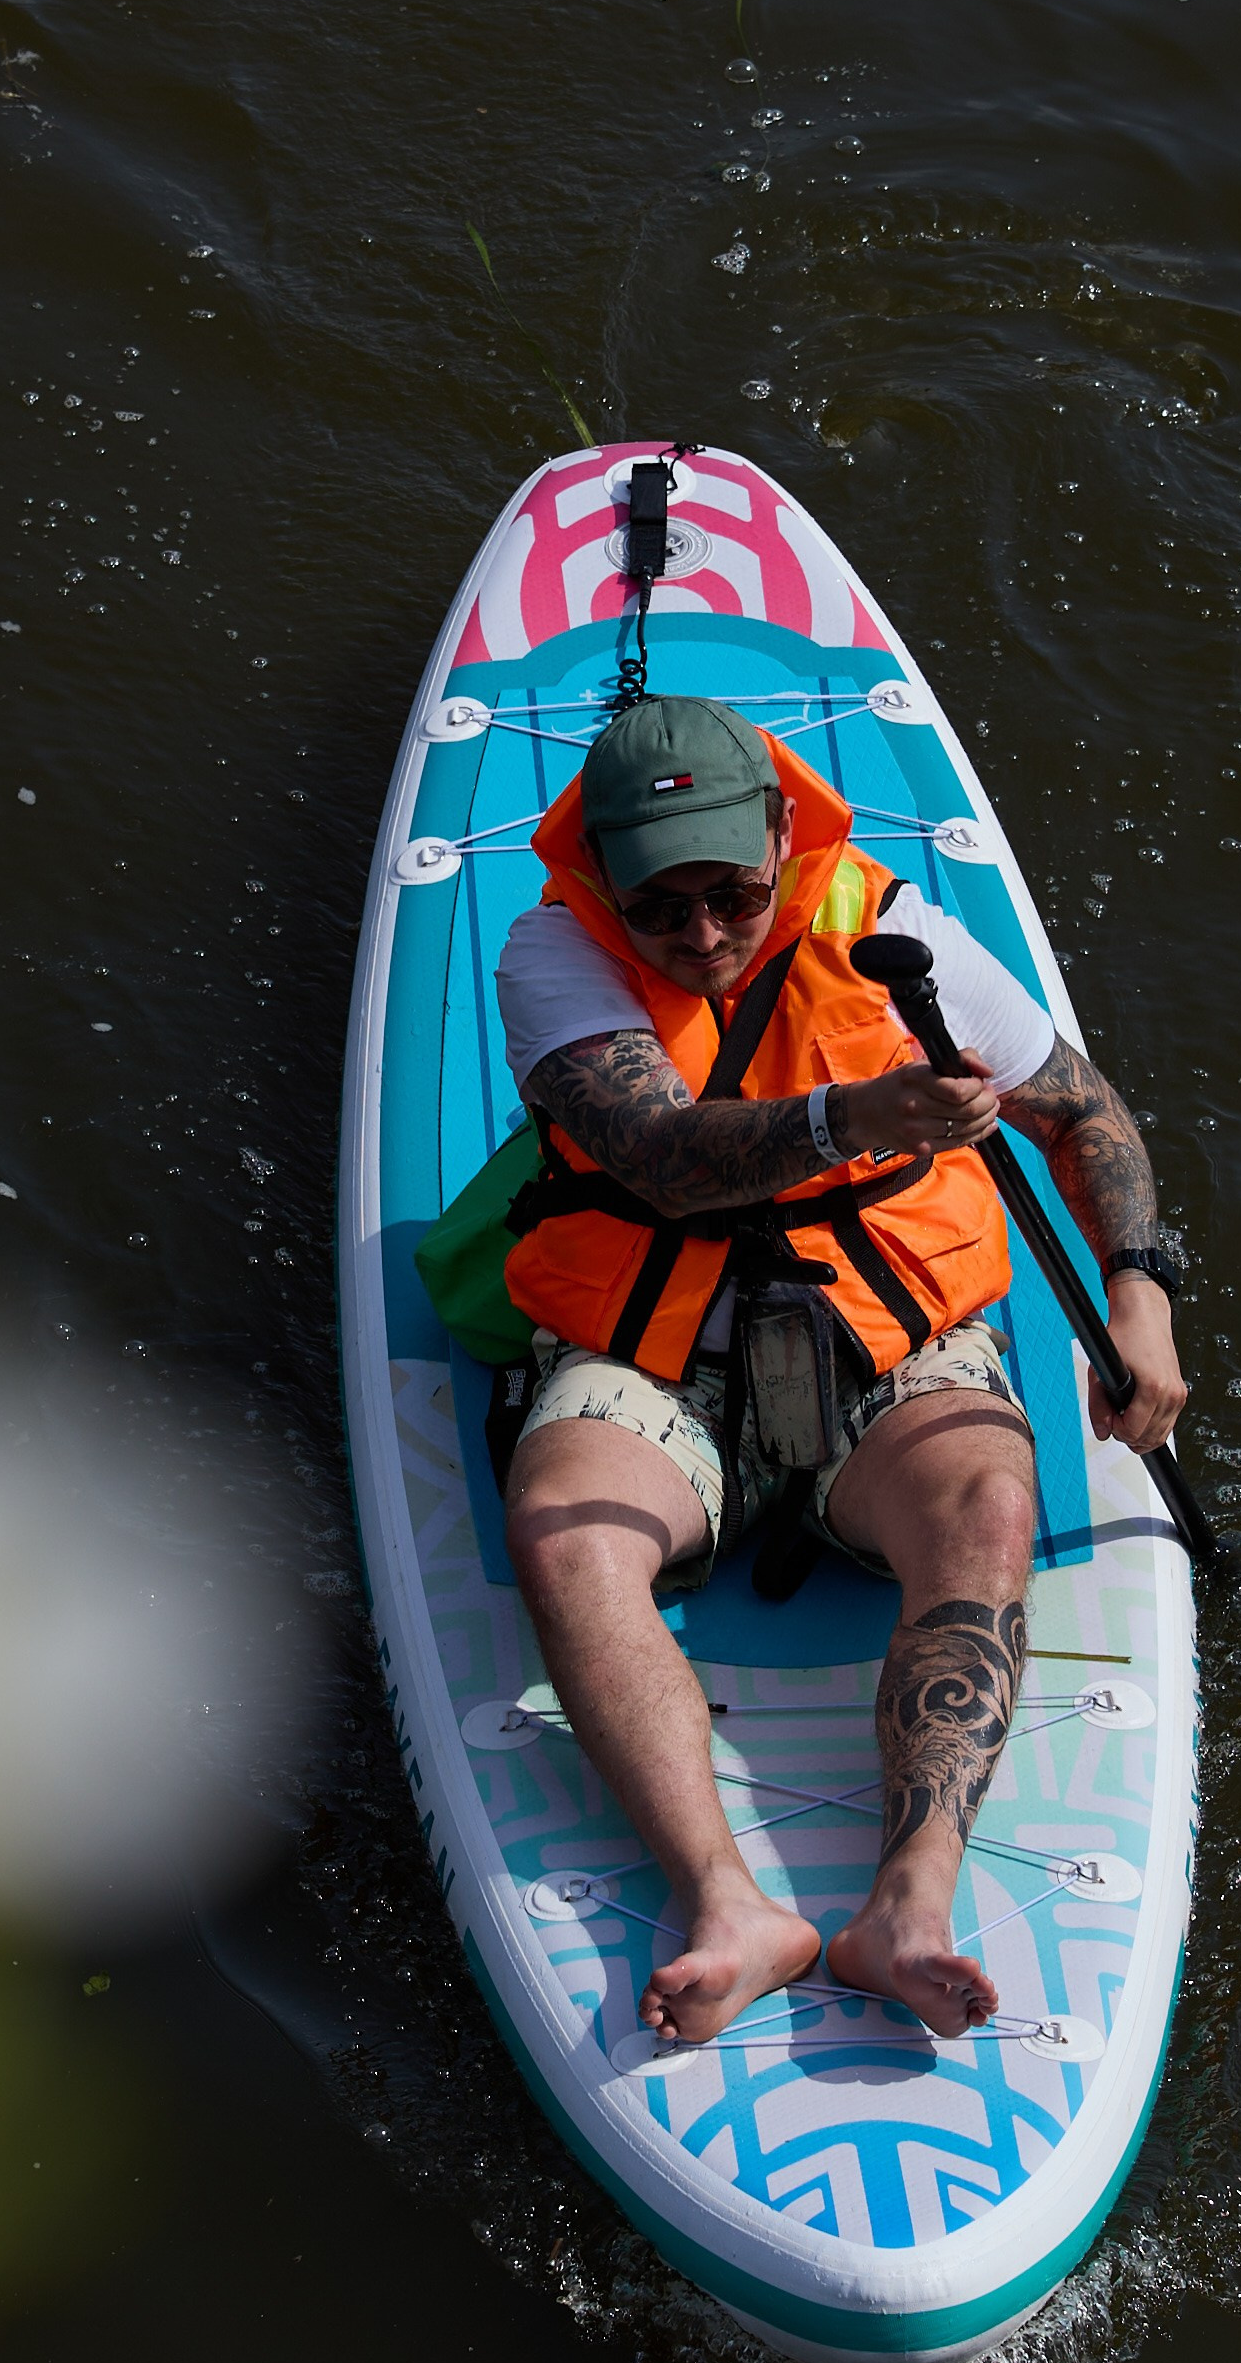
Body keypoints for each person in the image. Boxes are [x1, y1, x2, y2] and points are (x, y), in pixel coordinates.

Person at [495, 692, 1188, 2047]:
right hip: (654, 1356)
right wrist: (853, 1116)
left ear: (780, 843)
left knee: (990, 1508)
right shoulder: (547, 956)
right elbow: (664, 1157)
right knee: (565, 1537)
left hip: (890, 1348)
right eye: (661, 909)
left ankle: (909, 1909)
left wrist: (1141, 1296)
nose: (701, 934)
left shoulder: (902, 935)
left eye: (733, 896)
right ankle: (729, 1906)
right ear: (603, 884)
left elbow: (1085, 1111)